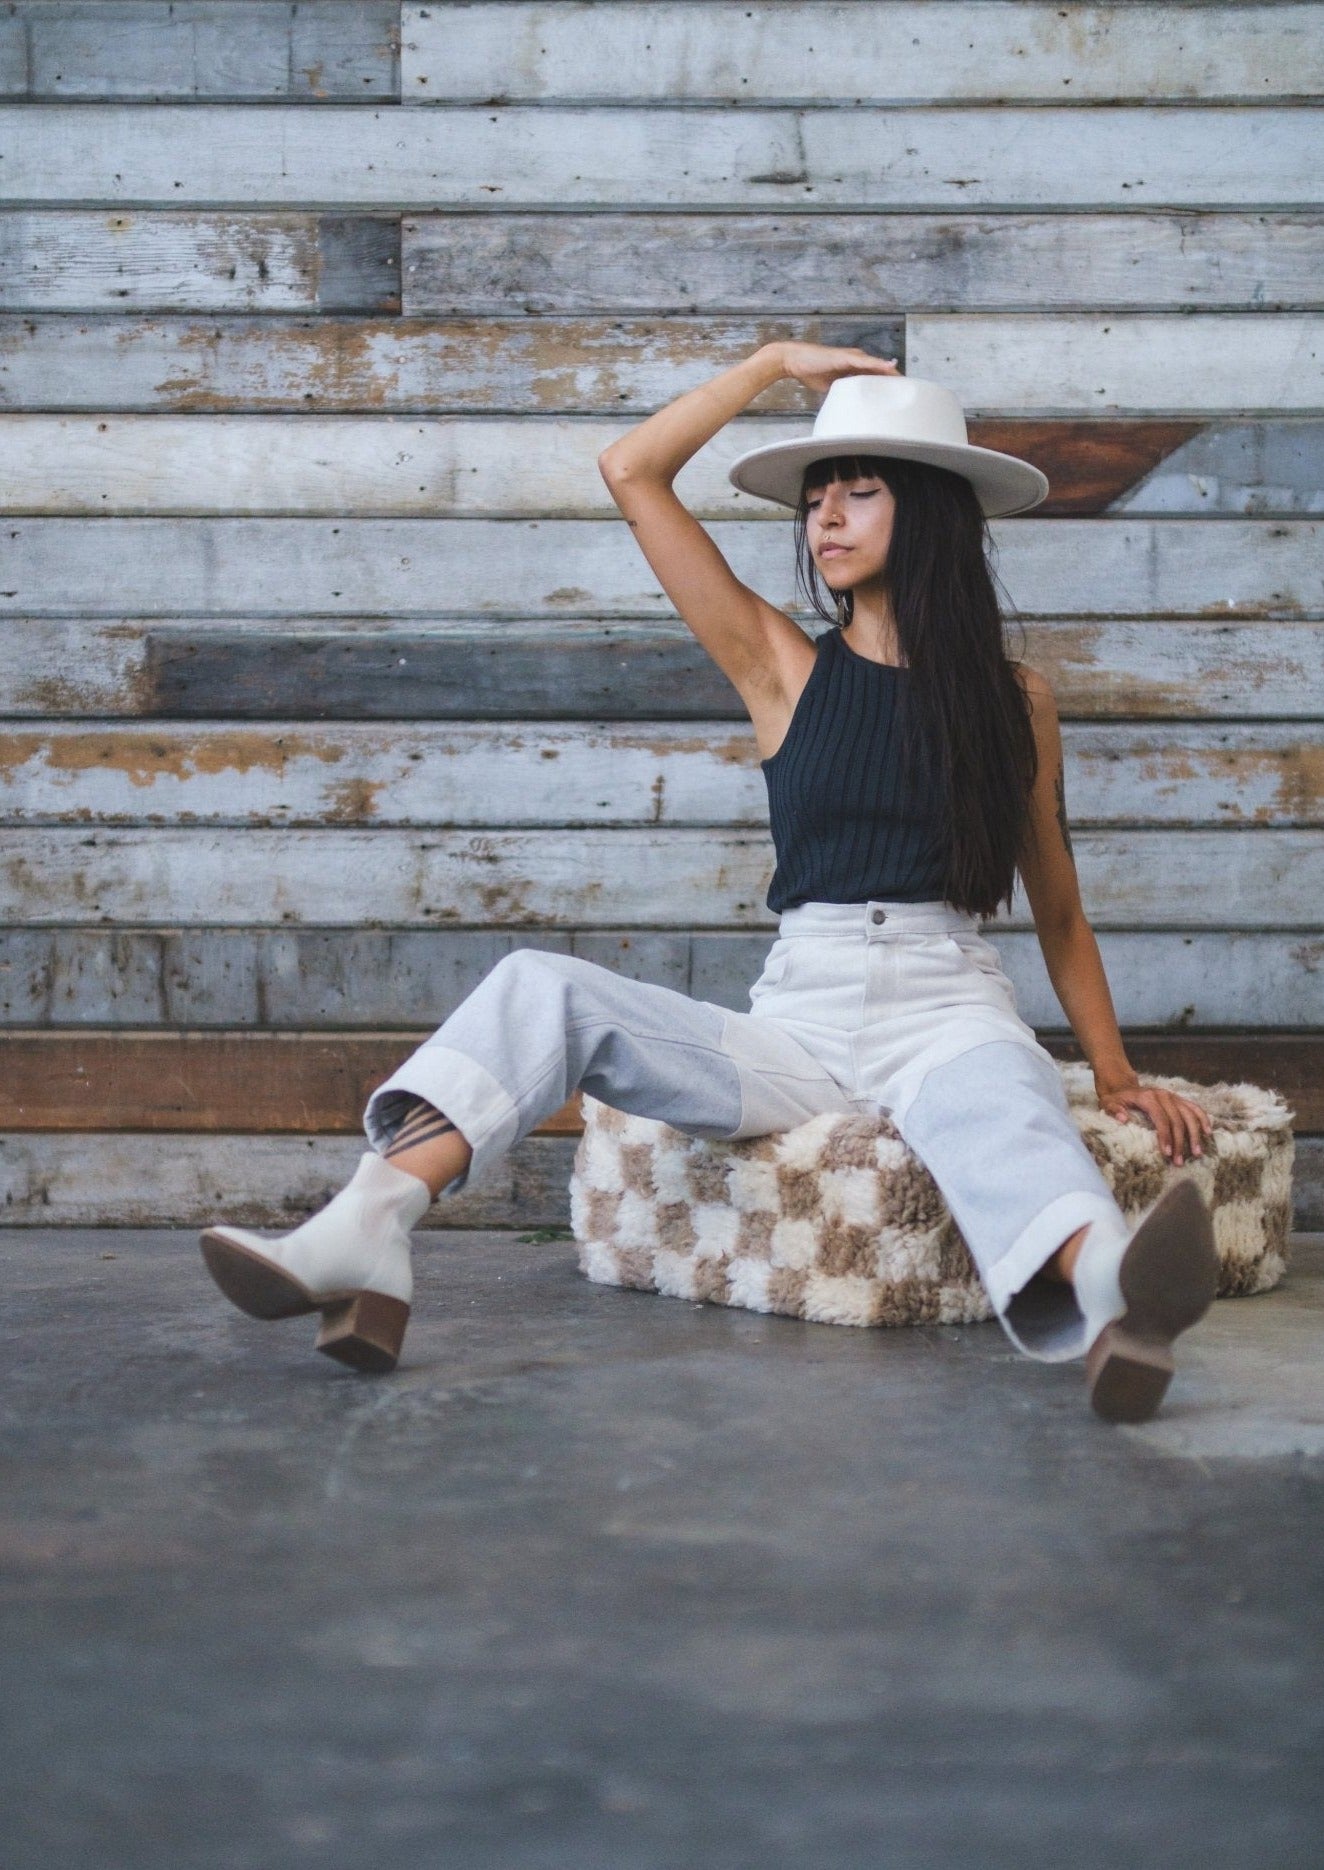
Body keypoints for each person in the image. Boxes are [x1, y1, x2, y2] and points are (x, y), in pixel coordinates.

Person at [198, 342, 1218, 1422]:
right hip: (802, 1016)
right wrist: (770, 364)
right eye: (815, 496)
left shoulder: (1018, 701)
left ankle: (1116, 1291)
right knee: (544, 987)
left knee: (1006, 1108)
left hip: (946, 1001)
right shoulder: (779, 662)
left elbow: (1056, 905)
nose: (824, 516)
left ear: (930, 513)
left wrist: (1113, 1077)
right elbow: (632, 471)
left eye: (858, 492)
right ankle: (368, 1225)